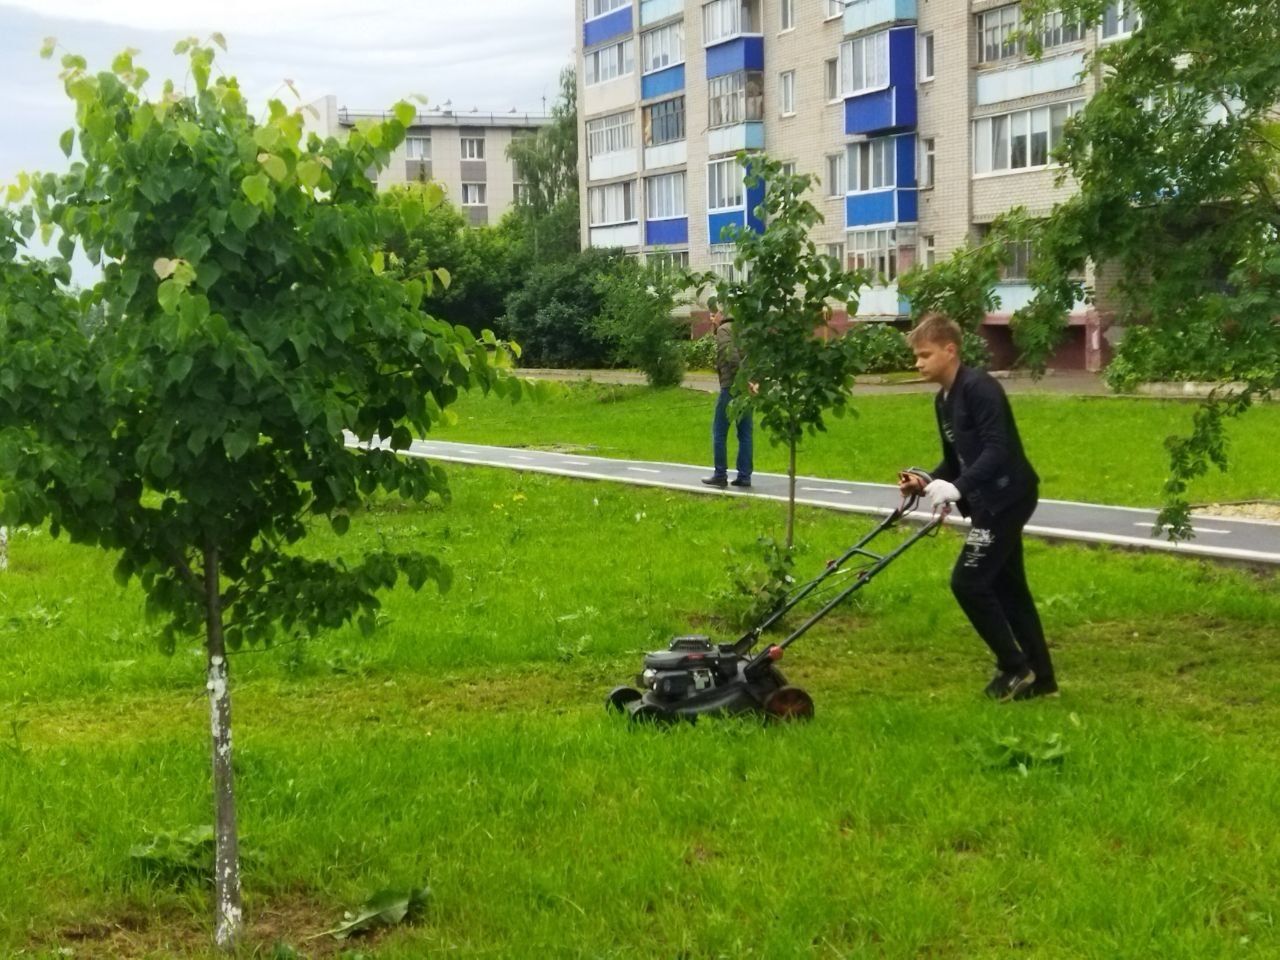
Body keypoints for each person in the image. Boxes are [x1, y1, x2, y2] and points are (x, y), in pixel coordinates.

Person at [898, 314, 1057, 702]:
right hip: (988, 499)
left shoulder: (980, 388)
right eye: (916, 356)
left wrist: (957, 488)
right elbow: (956, 461)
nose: (918, 363)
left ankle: (1014, 666)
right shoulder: (944, 400)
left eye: (925, 355)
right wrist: (926, 480)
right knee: (1009, 588)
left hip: (1008, 496)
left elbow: (997, 450)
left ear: (950, 351)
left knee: (968, 582)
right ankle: (1044, 680)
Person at [701, 306, 753, 489]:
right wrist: (754, 381)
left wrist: (743, 380)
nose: (711, 318)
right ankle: (745, 476)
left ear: (723, 314)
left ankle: (720, 474)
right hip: (748, 389)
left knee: (719, 432)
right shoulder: (745, 329)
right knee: (745, 433)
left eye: (714, 314)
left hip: (731, 387)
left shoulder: (724, 330)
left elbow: (730, 357)